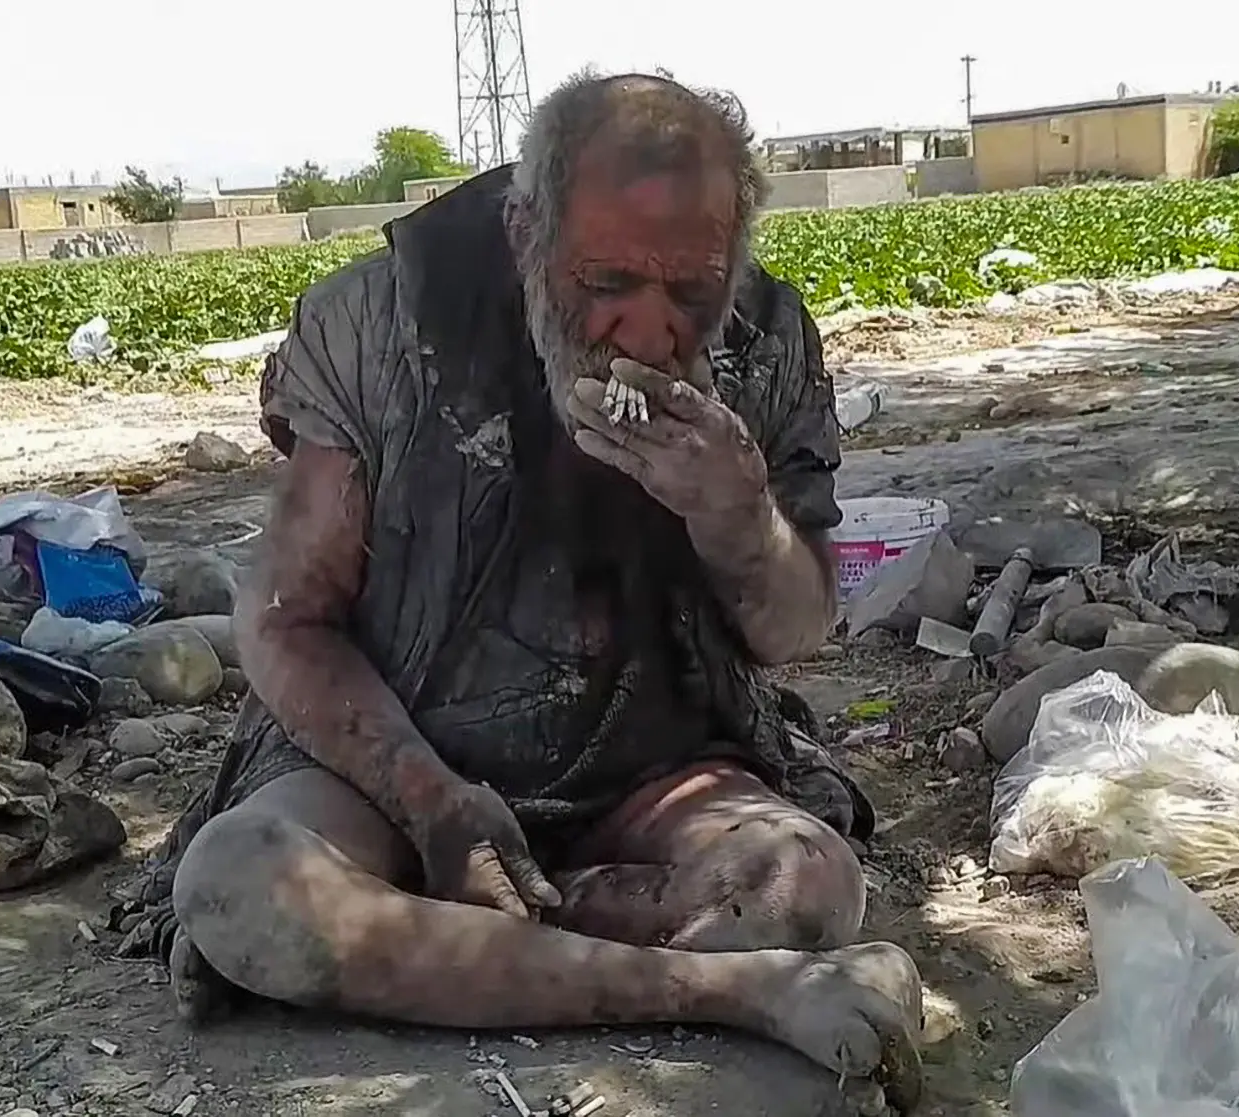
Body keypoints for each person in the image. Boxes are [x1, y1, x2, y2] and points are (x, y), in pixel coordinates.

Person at [111, 70, 924, 1110]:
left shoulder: (764, 340)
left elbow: (794, 631)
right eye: (606, 282)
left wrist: (738, 515)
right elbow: (286, 623)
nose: (648, 334)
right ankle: (736, 991)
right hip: (392, 764)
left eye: (690, 292)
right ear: (525, 233)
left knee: (801, 884)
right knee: (239, 880)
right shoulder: (378, 324)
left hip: (660, 763)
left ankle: (448, 942)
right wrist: (431, 801)